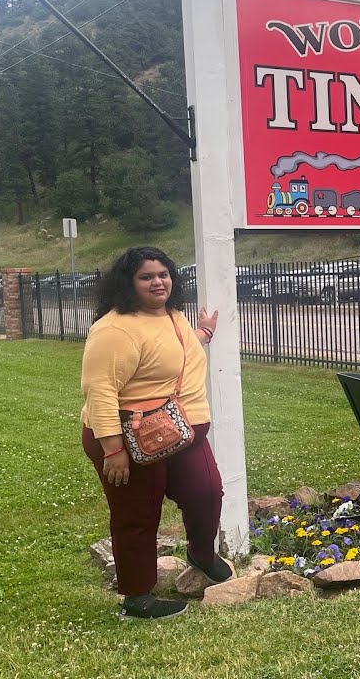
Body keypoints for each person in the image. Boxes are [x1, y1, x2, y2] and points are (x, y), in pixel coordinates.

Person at [80, 246, 230, 619]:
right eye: (146, 277)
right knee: (137, 514)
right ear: (128, 283)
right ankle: (137, 597)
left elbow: (176, 349)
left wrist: (204, 332)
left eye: (163, 274)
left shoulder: (172, 316)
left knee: (206, 491)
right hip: (129, 438)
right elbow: (99, 390)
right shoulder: (114, 329)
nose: (157, 282)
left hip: (181, 432)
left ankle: (200, 553)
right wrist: (113, 449)